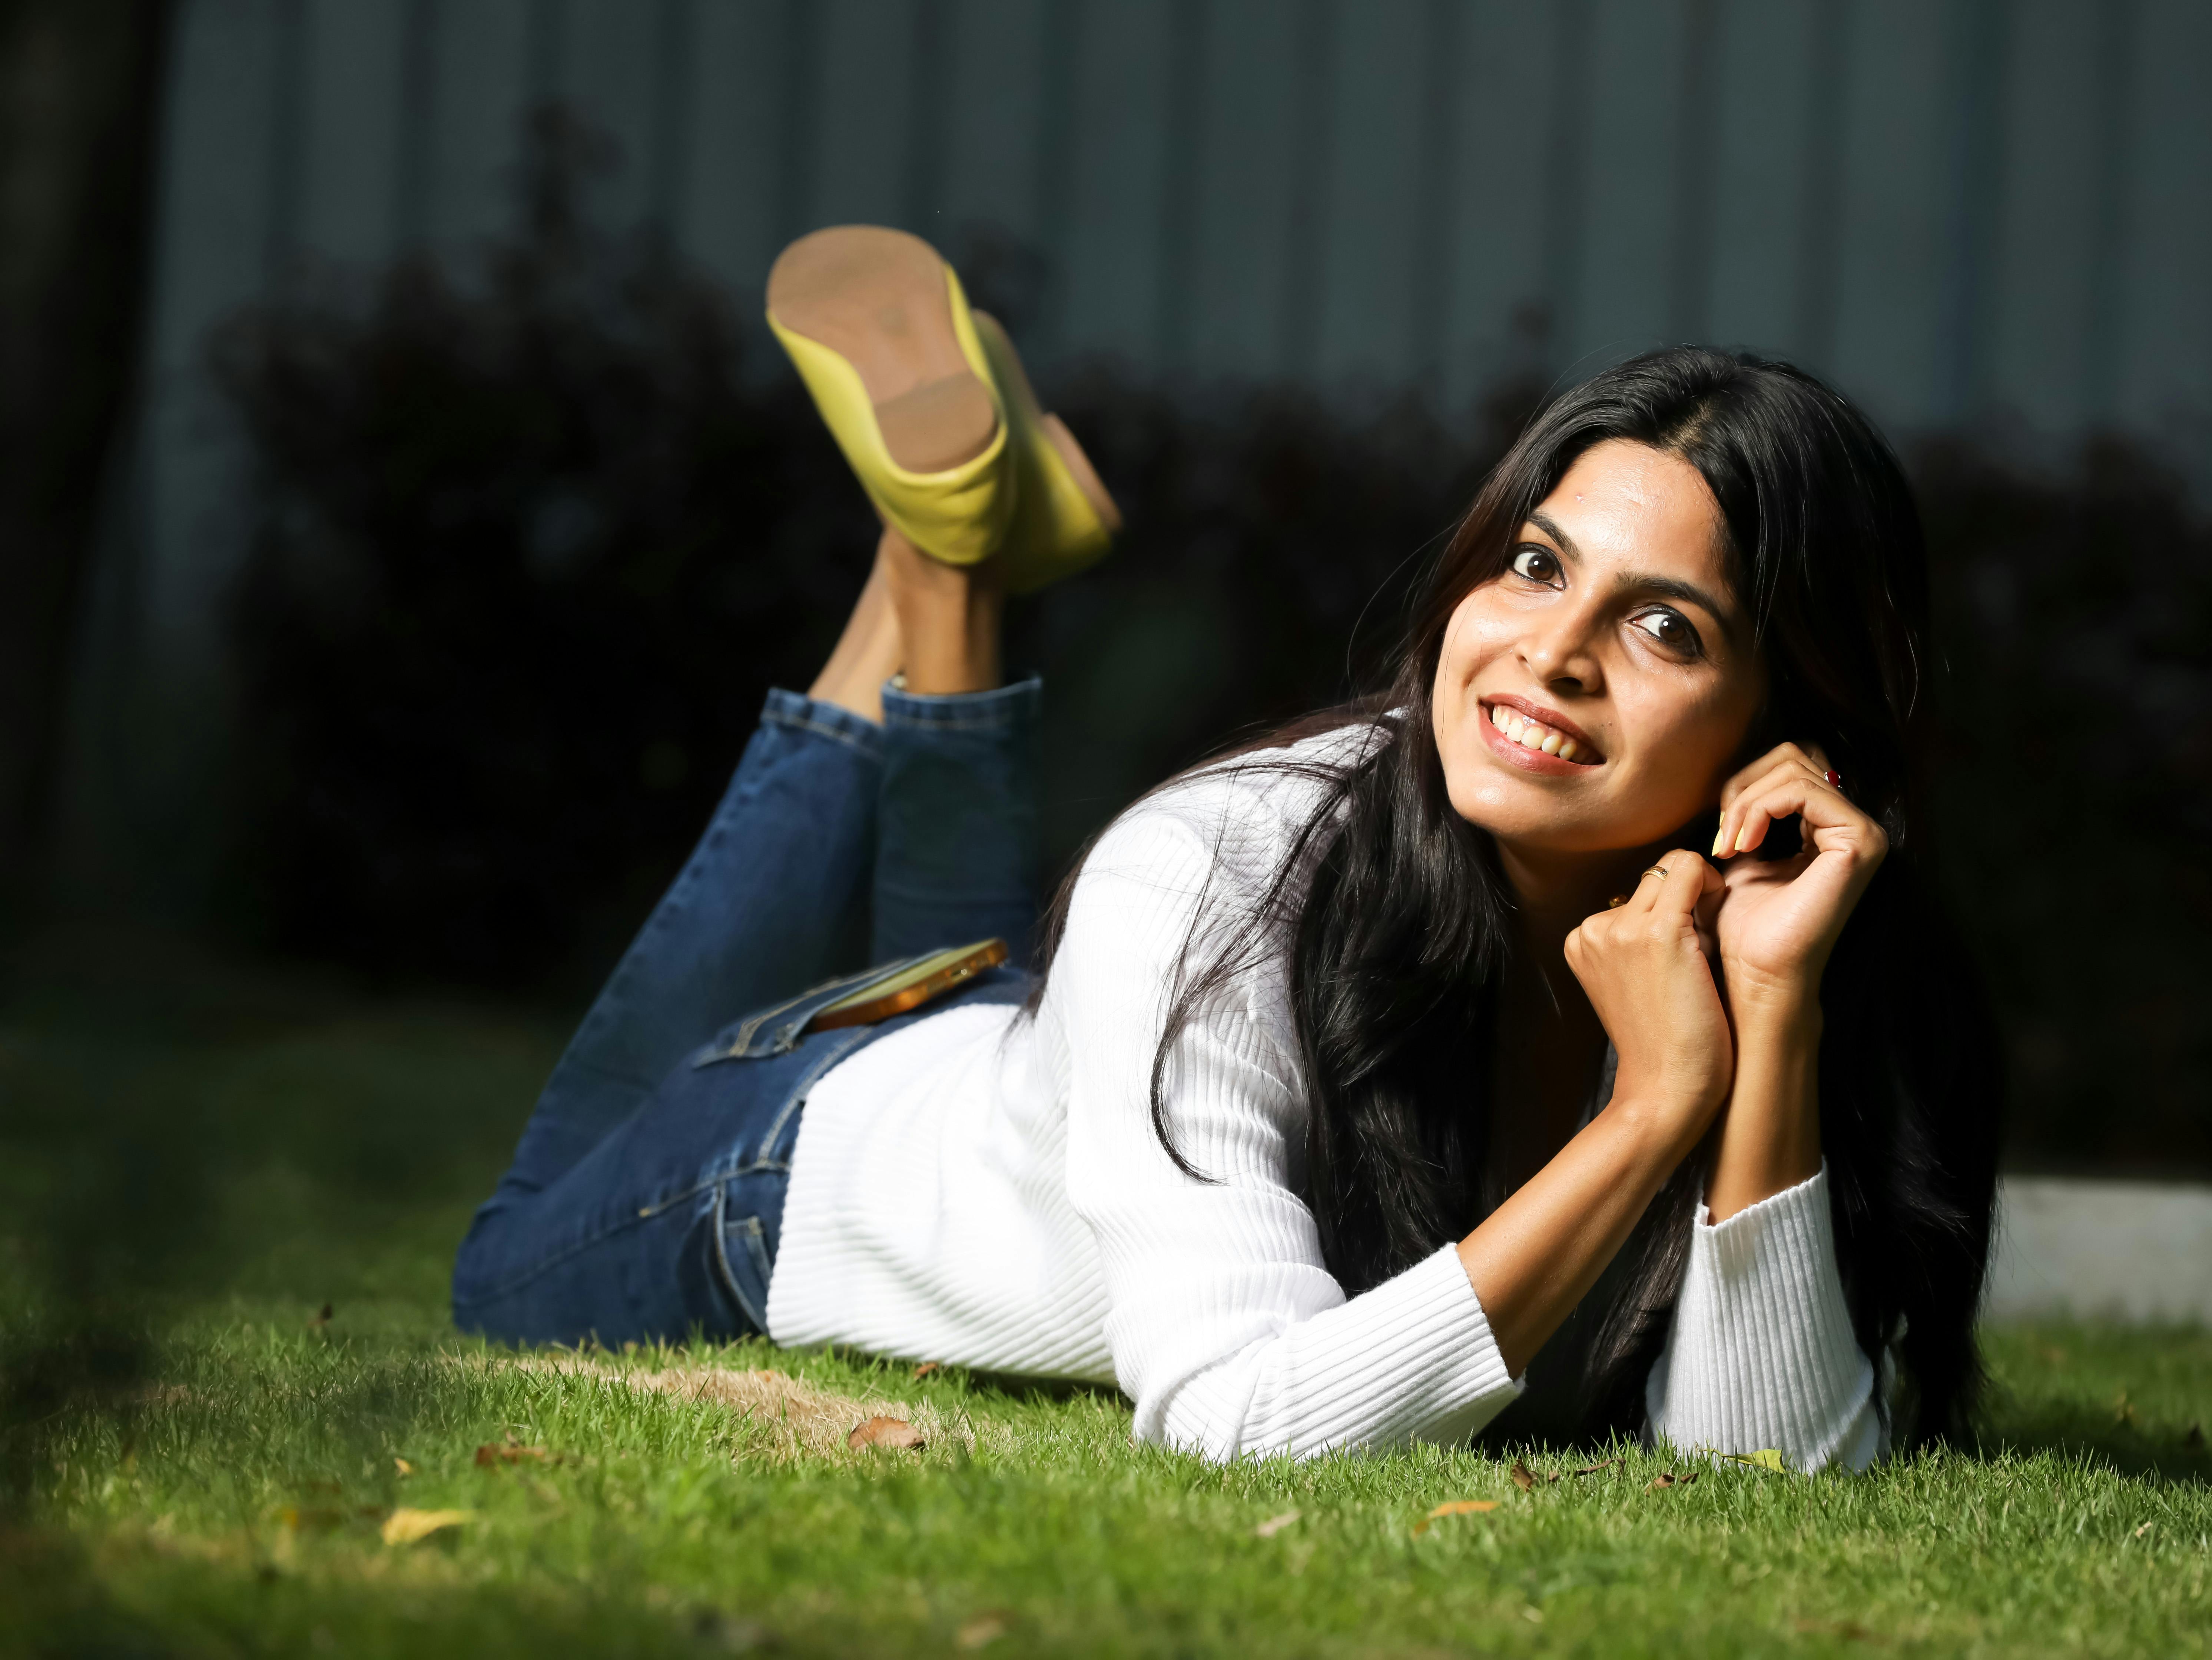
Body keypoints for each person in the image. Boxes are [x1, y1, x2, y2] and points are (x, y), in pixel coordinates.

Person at [452, 226, 2002, 1472]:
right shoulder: (1216, 868)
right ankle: (931, 560)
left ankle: (951, 553)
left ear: (1785, 735)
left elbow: (1767, 1473)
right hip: (797, 1163)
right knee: (502, 1270)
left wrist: (1772, 1019)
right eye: (1536, 566)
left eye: (1665, 625)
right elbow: (1239, 1419)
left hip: (1047, 1061)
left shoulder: (1778, 946)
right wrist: (1654, 1111)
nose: (1554, 651)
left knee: (1019, 994)